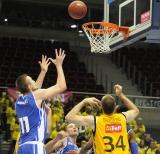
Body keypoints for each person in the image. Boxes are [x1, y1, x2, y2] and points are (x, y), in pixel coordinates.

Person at [15, 49, 66, 154]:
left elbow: (35, 91)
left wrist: (43, 72)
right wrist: (59, 65)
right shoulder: (36, 96)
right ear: (29, 86)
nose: (34, 80)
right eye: (32, 80)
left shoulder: (19, 100)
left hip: (22, 147)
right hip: (35, 145)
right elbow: (62, 86)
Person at [66, 84, 139, 154]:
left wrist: (84, 101)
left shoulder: (96, 121)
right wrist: (120, 95)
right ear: (115, 107)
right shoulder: (123, 118)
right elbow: (136, 110)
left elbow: (69, 117)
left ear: (102, 108)